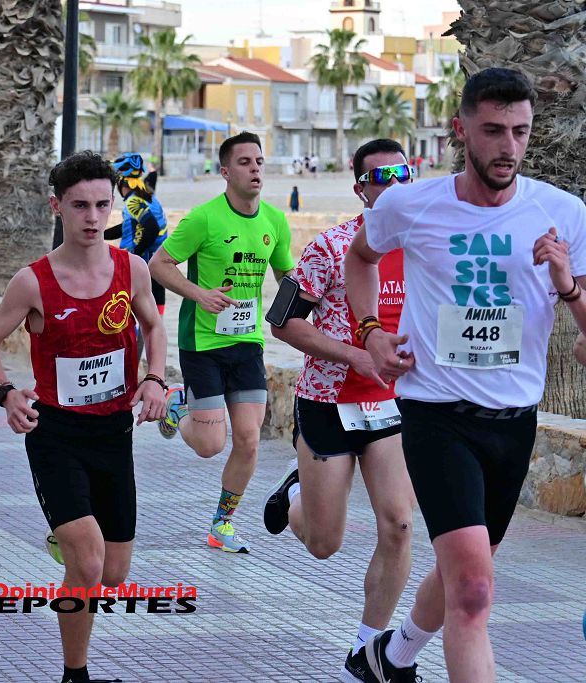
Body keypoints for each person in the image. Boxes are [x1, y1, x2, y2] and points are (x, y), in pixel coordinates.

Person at [344, 68, 586, 683]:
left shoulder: (562, 214)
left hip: (515, 423)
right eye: (494, 131)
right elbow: (360, 258)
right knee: (475, 590)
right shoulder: (410, 203)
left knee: (464, 573)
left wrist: (566, 285)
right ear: (461, 131)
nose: (509, 146)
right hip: (436, 415)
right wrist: (372, 331)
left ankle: (389, 657)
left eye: (521, 132)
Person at [0, 150, 166, 683]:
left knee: (114, 577)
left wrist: (155, 377)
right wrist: (7, 393)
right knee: (88, 563)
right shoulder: (33, 282)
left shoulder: (133, 269)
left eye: (103, 205)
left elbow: (153, 326)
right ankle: (74, 676)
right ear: (57, 207)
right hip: (55, 434)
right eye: (80, 205)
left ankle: (71, 536)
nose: (92, 217)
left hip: (113, 434)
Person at [263, 139, 417, 682]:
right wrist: (355, 352)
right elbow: (280, 321)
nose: (393, 184)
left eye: (403, 173)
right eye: (380, 178)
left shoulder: (427, 248)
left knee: (399, 524)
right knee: (326, 545)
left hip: (390, 408)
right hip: (328, 402)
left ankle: (367, 649)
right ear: (361, 190)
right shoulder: (330, 247)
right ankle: (299, 491)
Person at [149, 131, 295, 553]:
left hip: (247, 341)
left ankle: (222, 524)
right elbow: (159, 264)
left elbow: (285, 276)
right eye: (245, 162)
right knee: (211, 446)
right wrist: (199, 294)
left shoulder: (274, 220)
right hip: (203, 343)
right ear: (225, 171)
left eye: (260, 162)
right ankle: (180, 402)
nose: (255, 169)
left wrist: (310, 306)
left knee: (249, 439)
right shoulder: (204, 219)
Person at [103, 152, 168, 330]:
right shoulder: (148, 196)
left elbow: (151, 228)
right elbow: (129, 226)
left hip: (143, 261)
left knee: (133, 310)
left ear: (121, 182)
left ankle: (137, 346)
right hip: (157, 261)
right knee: (154, 313)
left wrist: (136, 254)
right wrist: (101, 235)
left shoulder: (133, 202)